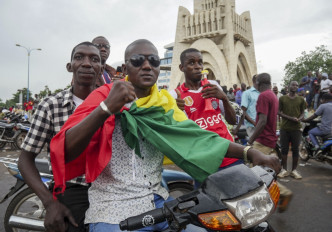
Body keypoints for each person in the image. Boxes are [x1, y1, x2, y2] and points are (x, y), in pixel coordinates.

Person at [50, 39, 280, 232]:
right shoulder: (103, 96)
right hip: (112, 209)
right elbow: (66, 150)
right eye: (138, 61)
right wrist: (106, 108)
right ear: (125, 67)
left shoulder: (163, 102)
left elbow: (196, 137)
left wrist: (250, 152)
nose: (147, 66)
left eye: (154, 61)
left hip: (159, 204)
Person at [18, 42, 103, 232]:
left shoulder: (112, 103)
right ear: (69, 66)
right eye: (79, 57)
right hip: (71, 191)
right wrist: (50, 203)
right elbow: (25, 158)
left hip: (110, 191)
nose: (87, 63)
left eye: (94, 59)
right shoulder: (50, 105)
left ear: (101, 68)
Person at [170, 48, 240, 170]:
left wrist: (224, 98)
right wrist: (176, 112)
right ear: (182, 68)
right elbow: (179, 135)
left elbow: (233, 121)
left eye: (200, 62)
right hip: (204, 162)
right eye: (191, 63)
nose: (198, 67)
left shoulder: (213, 85)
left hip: (230, 156)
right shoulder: (176, 95)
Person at [247, 73, 292, 212]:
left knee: (252, 173)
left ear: (258, 82)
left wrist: (250, 139)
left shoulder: (263, 96)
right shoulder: (272, 95)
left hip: (263, 140)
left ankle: (282, 193)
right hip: (269, 138)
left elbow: (262, 121)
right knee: (262, 171)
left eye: (255, 83)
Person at [278, 81, 306, 179]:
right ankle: (284, 170)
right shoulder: (282, 98)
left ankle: (294, 170)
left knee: (295, 150)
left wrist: (300, 118)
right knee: (284, 150)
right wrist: (290, 118)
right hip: (284, 128)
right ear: (288, 86)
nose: (295, 86)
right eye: (293, 85)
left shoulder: (301, 99)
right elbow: (278, 112)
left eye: (297, 85)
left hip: (296, 128)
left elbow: (303, 112)